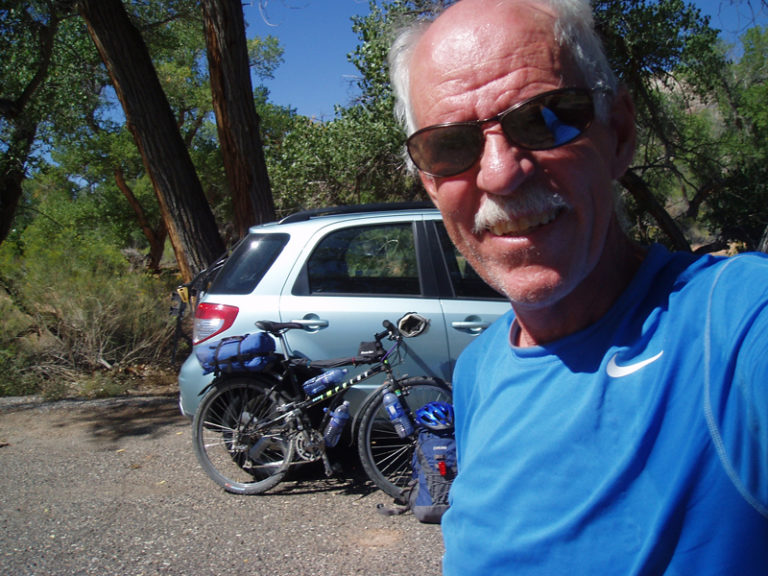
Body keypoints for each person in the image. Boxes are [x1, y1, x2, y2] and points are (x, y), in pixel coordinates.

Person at [388, 0, 768, 573]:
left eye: (543, 118)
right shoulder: (478, 371)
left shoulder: (737, 326)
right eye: (449, 146)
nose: (498, 172)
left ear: (619, 133)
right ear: (428, 182)